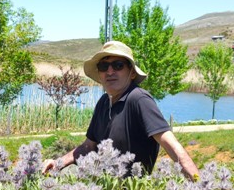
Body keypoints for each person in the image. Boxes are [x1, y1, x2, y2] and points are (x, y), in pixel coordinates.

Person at [42, 41, 199, 180]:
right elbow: (88, 146)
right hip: (101, 182)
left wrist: (199, 186)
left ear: (131, 72)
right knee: (55, 175)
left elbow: (170, 144)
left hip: (127, 189)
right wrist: (58, 163)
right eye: (104, 67)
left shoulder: (139, 99)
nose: (110, 72)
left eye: (118, 65)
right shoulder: (104, 102)